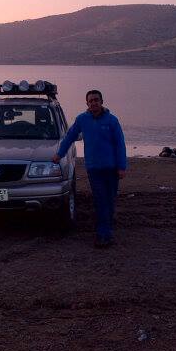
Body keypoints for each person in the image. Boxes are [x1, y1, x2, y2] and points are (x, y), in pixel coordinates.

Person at [53, 89, 127, 248]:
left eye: (96, 100)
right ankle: (102, 235)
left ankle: (107, 231)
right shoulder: (82, 119)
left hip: (112, 169)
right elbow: (69, 137)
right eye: (91, 100)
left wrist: (122, 167)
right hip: (94, 169)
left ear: (101, 102)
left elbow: (120, 144)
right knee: (100, 201)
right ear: (87, 103)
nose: (94, 103)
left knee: (109, 201)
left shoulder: (112, 120)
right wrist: (59, 154)